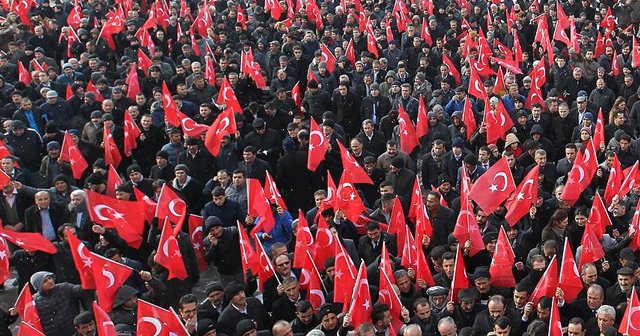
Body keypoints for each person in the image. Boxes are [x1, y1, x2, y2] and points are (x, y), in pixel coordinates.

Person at [30, 271, 85, 336]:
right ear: (38, 286)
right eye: (45, 281)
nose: (50, 281)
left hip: (73, 332)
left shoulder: (64, 287)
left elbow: (81, 289)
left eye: (49, 278)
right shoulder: (33, 301)